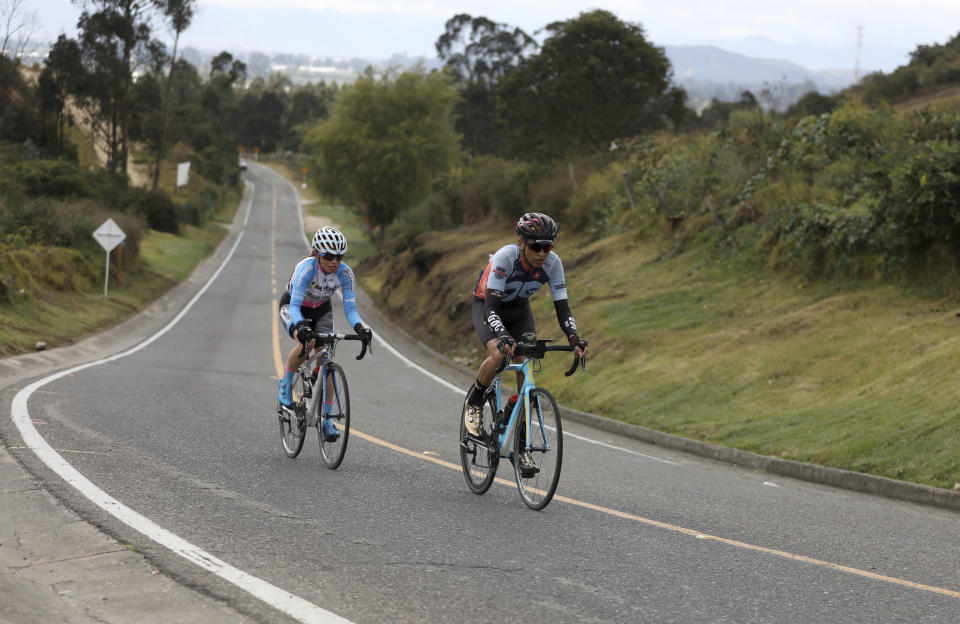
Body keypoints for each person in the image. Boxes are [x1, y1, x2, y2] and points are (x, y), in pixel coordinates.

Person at [465, 212, 589, 473]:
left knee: (527, 372)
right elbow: (490, 308)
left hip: (520, 311)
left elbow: (563, 308)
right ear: (522, 243)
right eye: (536, 246)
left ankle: (521, 447)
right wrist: (502, 336)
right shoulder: (504, 258)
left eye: (548, 246)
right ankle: (475, 402)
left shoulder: (553, 264)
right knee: (499, 356)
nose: (542, 253)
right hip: (488, 307)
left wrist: (574, 337)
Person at [278, 226, 372, 440]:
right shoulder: (306, 269)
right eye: (329, 256)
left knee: (328, 360)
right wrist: (301, 326)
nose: (334, 261)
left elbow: (350, 309)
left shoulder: (346, 273)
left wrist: (361, 329)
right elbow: (293, 307)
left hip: (321, 310)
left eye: (339, 256)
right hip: (295, 307)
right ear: (316, 254)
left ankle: (327, 420)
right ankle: (285, 384)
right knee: (307, 344)